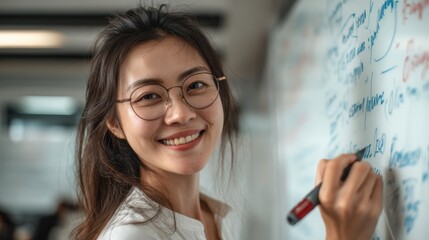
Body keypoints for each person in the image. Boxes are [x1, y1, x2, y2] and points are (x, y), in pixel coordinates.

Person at [72, 4, 383, 240]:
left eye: (195, 85)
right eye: (149, 97)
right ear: (114, 123)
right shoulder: (133, 236)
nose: (180, 113)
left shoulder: (214, 214)